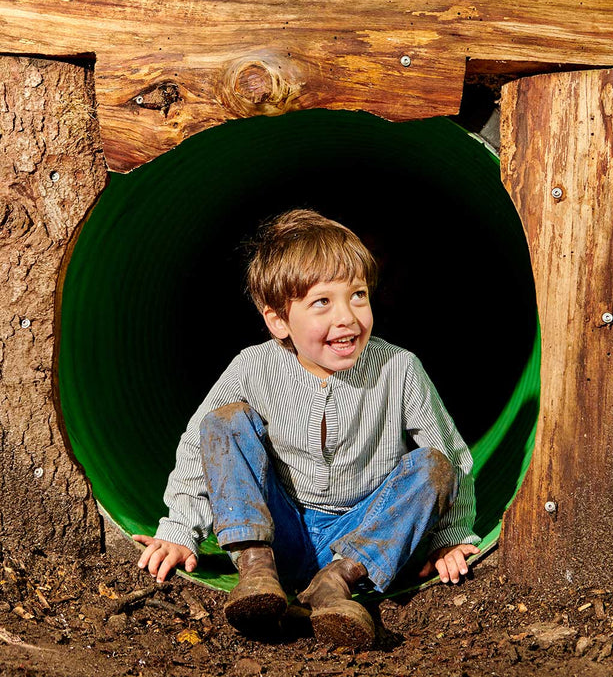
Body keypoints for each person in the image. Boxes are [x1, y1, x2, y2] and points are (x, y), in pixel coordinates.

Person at [131, 209, 480, 648]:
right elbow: (199, 447)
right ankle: (256, 573)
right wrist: (181, 529)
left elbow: (451, 455)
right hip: (278, 532)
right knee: (224, 421)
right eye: (322, 302)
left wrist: (447, 540)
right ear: (278, 320)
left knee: (433, 463)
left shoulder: (398, 367)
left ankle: (334, 585)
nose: (348, 318)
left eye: (357, 295)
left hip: (364, 540)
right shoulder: (253, 367)